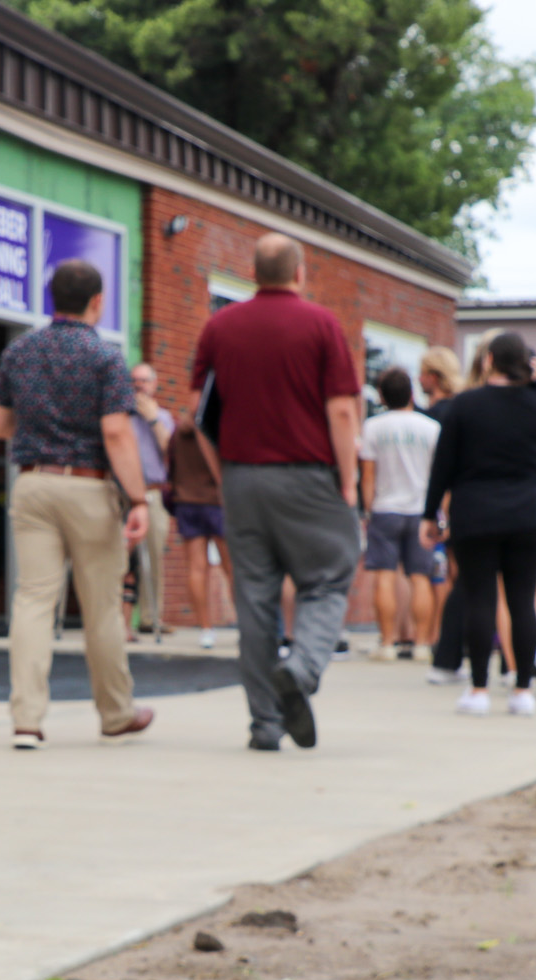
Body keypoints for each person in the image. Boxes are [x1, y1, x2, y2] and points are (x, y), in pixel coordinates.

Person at [192, 233, 362, 751]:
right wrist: (349, 480)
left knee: (255, 602)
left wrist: (225, 477)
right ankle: (302, 668)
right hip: (309, 478)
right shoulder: (321, 325)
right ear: (299, 273)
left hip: (242, 479)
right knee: (328, 580)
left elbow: (200, 416)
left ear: (253, 273)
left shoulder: (220, 327)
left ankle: (264, 724)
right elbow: (341, 410)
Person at [0, 260, 156, 748]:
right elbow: (116, 432)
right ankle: (116, 714)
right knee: (101, 608)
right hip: (89, 486)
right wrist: (138, 498)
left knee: (34, 599)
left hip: (33, 483)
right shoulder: (106, 358)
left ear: (53, 298)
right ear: (97, 302)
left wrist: (40, 430)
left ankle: (26, 721)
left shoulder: (19, 351)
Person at [421, 331, 536, 717]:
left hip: (475, 511)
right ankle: (522, 690)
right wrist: (533, 377)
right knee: (522, 601)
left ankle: (479, 689)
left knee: (480, 598)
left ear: (488, 360)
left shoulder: (465, 404)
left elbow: (443, 465)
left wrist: (430, 514)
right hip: (528, 512)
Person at [358, 368, 442, 661]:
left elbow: (368, 475)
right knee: (420, 577)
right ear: (411, 393)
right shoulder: (431, 427)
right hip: (421, 510)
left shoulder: (373, 427)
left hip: (385, 508)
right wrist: (441, 512)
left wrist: (368, 510)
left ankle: (387, 643)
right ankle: (421, 644)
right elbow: (439, 475)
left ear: (382, 396)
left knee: (384, 576)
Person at [166, 418, 230, 648]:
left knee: (196, 568)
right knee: (232, 569)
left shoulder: (177, 431)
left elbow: (169, 465)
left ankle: (205, 629)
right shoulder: (217, 427)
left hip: (187, 502)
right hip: (218, 502)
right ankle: (247, 625)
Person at [128, 363, 178, 635]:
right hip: (123, 494)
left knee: (154, 556)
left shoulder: (164, 417)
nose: (139, 386)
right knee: (120, 558)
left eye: (144, 380)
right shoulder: (121, 417)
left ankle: (151, 618)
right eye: (134, 381)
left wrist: (152, 419)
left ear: (154, 384)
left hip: (154, 493)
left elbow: (171, 451)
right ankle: (120, 620)